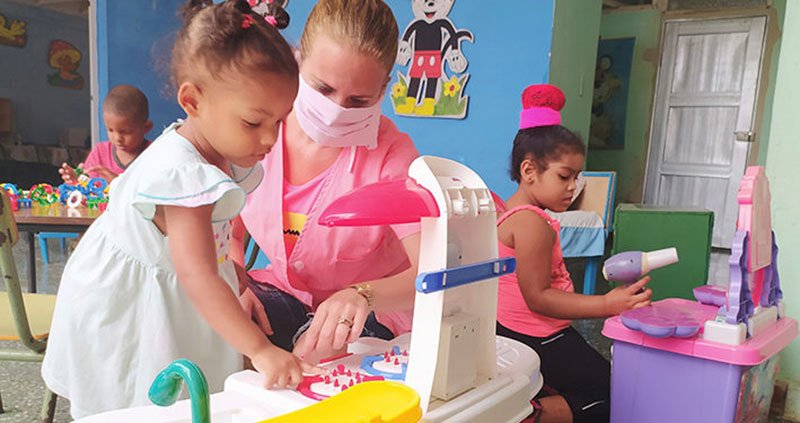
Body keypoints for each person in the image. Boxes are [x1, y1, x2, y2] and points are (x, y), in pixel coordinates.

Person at [41, 1, 316, 418]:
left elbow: (209, 257)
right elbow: (197, 273)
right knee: (139, 402)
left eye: (279, 122)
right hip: (132, 307)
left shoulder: (220, 155)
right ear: (193, 100)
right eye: (253, 122)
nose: (270, 139)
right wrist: (260, 350)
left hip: (177, 291)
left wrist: (231, 268)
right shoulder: (181, 176)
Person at [233, 0, 421, 363]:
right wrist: (233, 281)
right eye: (323, 88)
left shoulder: (392, 157)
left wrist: (363, 294)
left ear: (383, 90)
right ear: (298, 60)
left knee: (314, 364)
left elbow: (433, 269)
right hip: (282, 293)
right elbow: (230, 233)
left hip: (368, 314)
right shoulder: (261, 131)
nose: (337, 109)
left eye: (358, 100)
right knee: (223, 332)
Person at [496, 84, 652, 423]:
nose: (573, 187)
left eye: (576, 177)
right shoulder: (530, 224)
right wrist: (607, 304)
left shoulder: (511, 211)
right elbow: (538, 297)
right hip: (536, 336)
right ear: (529, 171)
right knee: (616, 394)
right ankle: (529, 415)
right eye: (564, 176)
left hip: (520, 330)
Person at [59, 85, 153, 184]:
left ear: (146, 128)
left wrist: (116, 183)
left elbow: (155, 193)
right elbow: (88, 188)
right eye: (110, 130)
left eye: (125, 132)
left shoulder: (154, 154)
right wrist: (76, 181)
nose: (117, 138)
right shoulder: (100, 152)